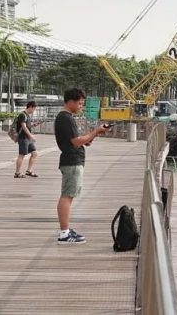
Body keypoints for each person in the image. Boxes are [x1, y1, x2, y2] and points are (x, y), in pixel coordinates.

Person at [54, 88, 108, 245]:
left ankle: (65, 230)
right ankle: (64, 234)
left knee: (68, 195)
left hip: (72, 160)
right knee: (67, 196)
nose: (81, 107)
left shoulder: (66, 117)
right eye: (80, 103)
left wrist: (93, 136)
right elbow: (76, 142)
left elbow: (79, 140)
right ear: (70, 101)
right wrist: (96, 131)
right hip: (71, 162)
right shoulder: (65, 118)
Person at [14, 100, 38, 178]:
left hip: (28, 138)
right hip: (23, 138)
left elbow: (27, 126)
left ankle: (28, 171)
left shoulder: (27, 115)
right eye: (34, 109)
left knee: (34, 153)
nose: (34, 111)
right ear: (30, 107)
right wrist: (31, 136)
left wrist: (34, 125)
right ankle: (17, 173)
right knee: (22, 155)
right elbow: (23, 126)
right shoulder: (22, 114)